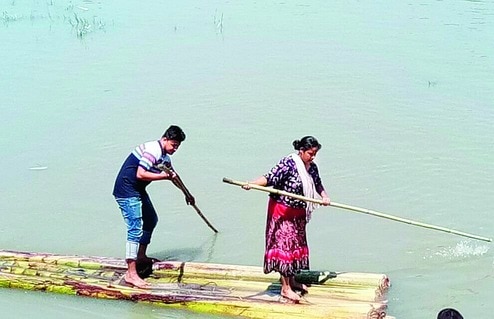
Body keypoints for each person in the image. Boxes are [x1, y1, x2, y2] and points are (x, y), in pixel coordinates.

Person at [243, 136, 330, 302]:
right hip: (282, 213)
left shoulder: (312, 168)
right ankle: (285, 288)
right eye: (310, 154)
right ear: (301, 151)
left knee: (295, 247)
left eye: (315, 154)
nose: (313, 157)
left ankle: (292, 281)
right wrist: (252, 184)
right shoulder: (288, 164)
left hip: (298, 214)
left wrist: (325, 196)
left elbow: (318, 184)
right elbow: (270, 178)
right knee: (284, 248)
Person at [113, 125, 194, 288]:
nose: (175, 149)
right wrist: (163, 176)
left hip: (138, 189)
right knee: (134, 228)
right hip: (126, 190)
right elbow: (140, 174)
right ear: (164, 139)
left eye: (178, 146)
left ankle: (141, 256)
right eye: (173, 145)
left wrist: (187, 194)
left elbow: (174, 177)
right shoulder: (152, 151)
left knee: (151, 220)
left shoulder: (165, 158)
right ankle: (131, 273)